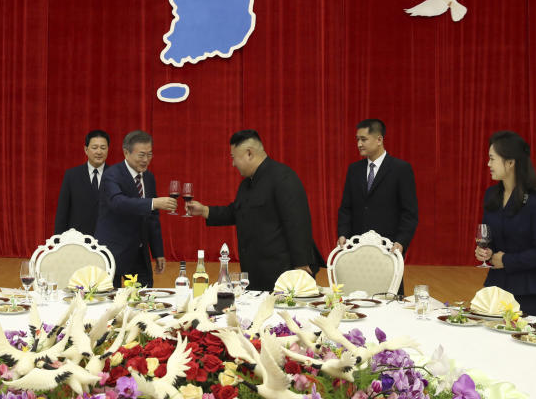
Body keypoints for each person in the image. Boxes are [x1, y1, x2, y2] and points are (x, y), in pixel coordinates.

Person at [186, 130, 322, 292]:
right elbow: (237, 212)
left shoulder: (283, 177)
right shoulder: (246, 184)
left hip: (282, 274)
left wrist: (301, 265)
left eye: (233, 157)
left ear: (249, 153)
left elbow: (298, 222)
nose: (233, 164)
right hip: (255, 274)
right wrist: (204, 211)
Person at [474, 130, 536, 318]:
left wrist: (506, 260)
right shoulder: (492, 195)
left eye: (492, 159)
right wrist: (485, 252)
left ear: (511, 162)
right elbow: (490, 238)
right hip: (498, 286)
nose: (488, 164)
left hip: (531, 291)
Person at [336, 119, 418, 293]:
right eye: (357, 139)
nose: (359, 144)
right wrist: (343, 233)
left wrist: (401, 242)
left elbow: (409, 213)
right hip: (356, 248)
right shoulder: (354, 170)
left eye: (364, 139)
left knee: (388, 301)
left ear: (379, 139)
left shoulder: (400, 169)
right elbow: (345, 207)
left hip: (387, 250)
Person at [95, 130, 176, 287]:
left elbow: (152, 218)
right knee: (112, 302)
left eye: (149, 154)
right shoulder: (111, 175)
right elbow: (118, 202)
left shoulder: (149, 177)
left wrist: (158, 252)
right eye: (141, 155)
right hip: (114, 251)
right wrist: (153, 202)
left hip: (139, 253)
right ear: (126, 153)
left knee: (144, 299)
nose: (146, 160)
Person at [54, 130, 110, 236]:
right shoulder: (72, 175)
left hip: (107, 240)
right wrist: (58, 240)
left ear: (108, 150)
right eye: (94, 147)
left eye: (103, 148)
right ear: (86, 149)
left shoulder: (116, 175)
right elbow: (63, 211)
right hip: (78, 240)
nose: (99, 152)